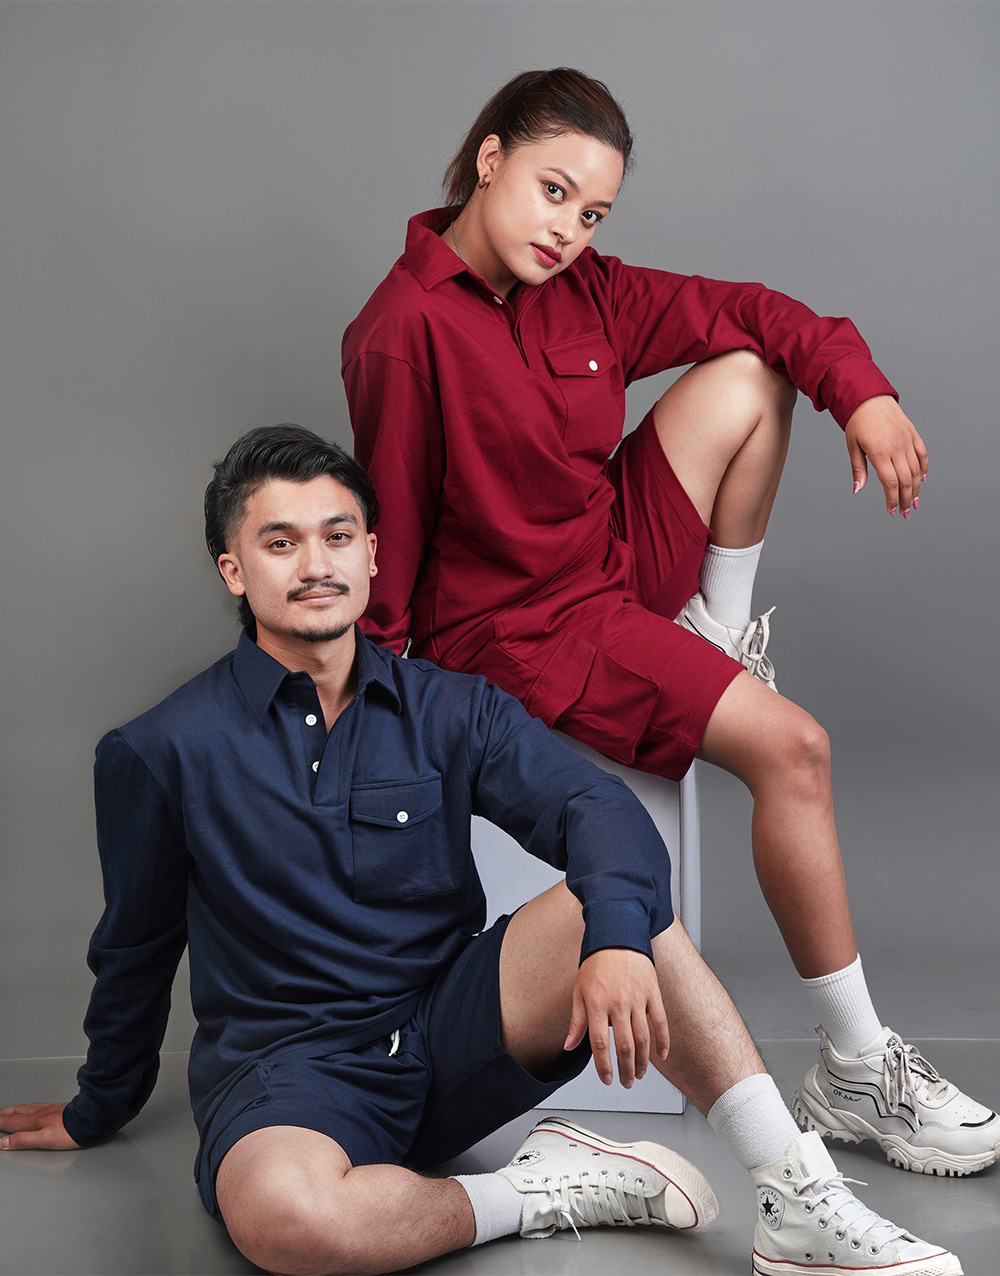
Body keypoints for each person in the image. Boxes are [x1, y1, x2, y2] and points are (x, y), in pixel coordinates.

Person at [0, 426, 961, 1276]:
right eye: (280, 542)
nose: (316, 564)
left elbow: (595, 805)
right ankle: (540, 1190)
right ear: (233, 571)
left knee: (615, 897)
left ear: (373, 555)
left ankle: (797, 1196)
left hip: (450, 1034)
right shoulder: (161, 749)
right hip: (291, 1076)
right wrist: (98, 1103)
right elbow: (134, 947)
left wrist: (616, 940)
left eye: (338, 536)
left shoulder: (449, 706)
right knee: (287, 1221)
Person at [342, 67, 998, 1188]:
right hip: (520, 632)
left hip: (608, 558)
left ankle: (715, 637)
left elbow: (760, 312)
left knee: (753, 369)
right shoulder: (401, 331)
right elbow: (388, 548)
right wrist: (385, 728)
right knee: (795, 749)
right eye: (553, 192)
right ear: (489, 160)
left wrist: (863, 392)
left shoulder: (585, 288)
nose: (568, 230)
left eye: (593, 212)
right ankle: (855, 1066)